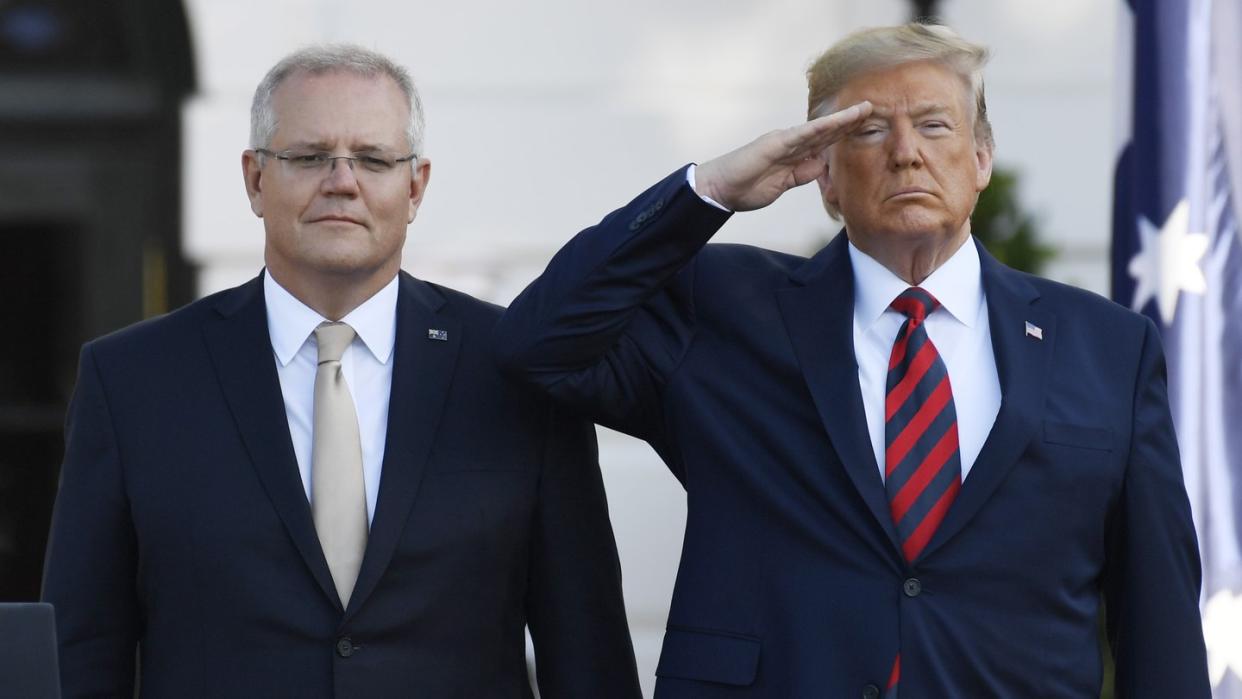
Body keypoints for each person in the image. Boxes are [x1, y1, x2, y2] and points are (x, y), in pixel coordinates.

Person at [494, 22, 1210, 697]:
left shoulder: (1108, 346)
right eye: (869, 130)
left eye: (934, 125)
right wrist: (708, 192)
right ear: (825, 177)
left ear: (981, 158)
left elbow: (1159, 622)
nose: (906, 152)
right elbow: (540, 342)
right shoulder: (720, 308)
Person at [42, 45, 641, 698]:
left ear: (415, 186)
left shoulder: (518, 367)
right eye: (308, 156)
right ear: (254, 179)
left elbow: (587, 650)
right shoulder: (132, 380)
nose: (342, 181)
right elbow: (81, 650)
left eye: (375, 158)